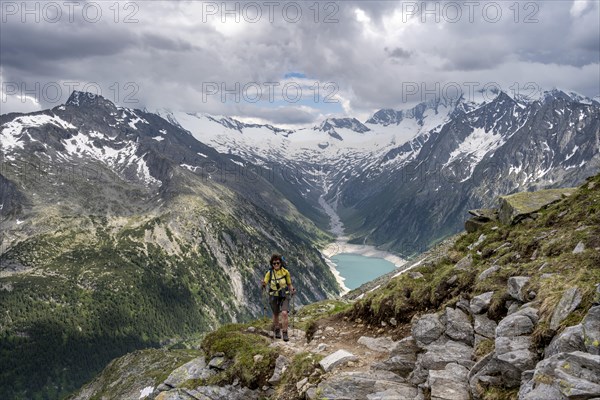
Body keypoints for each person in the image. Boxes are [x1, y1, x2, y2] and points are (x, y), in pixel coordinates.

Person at [262, 254, 295, 341]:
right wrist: (263, 284)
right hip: (274, 295)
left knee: (284, 313)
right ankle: (277, 329)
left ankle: (285, 332)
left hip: (284, 295)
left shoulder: (285, 272)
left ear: (281, 263)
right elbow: (265, 281)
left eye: (278, 263)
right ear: (272, 264)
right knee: (276, 314)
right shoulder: (269, 273)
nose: (276, 265)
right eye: (274, 263)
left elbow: (289, 284)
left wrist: (292, 289)